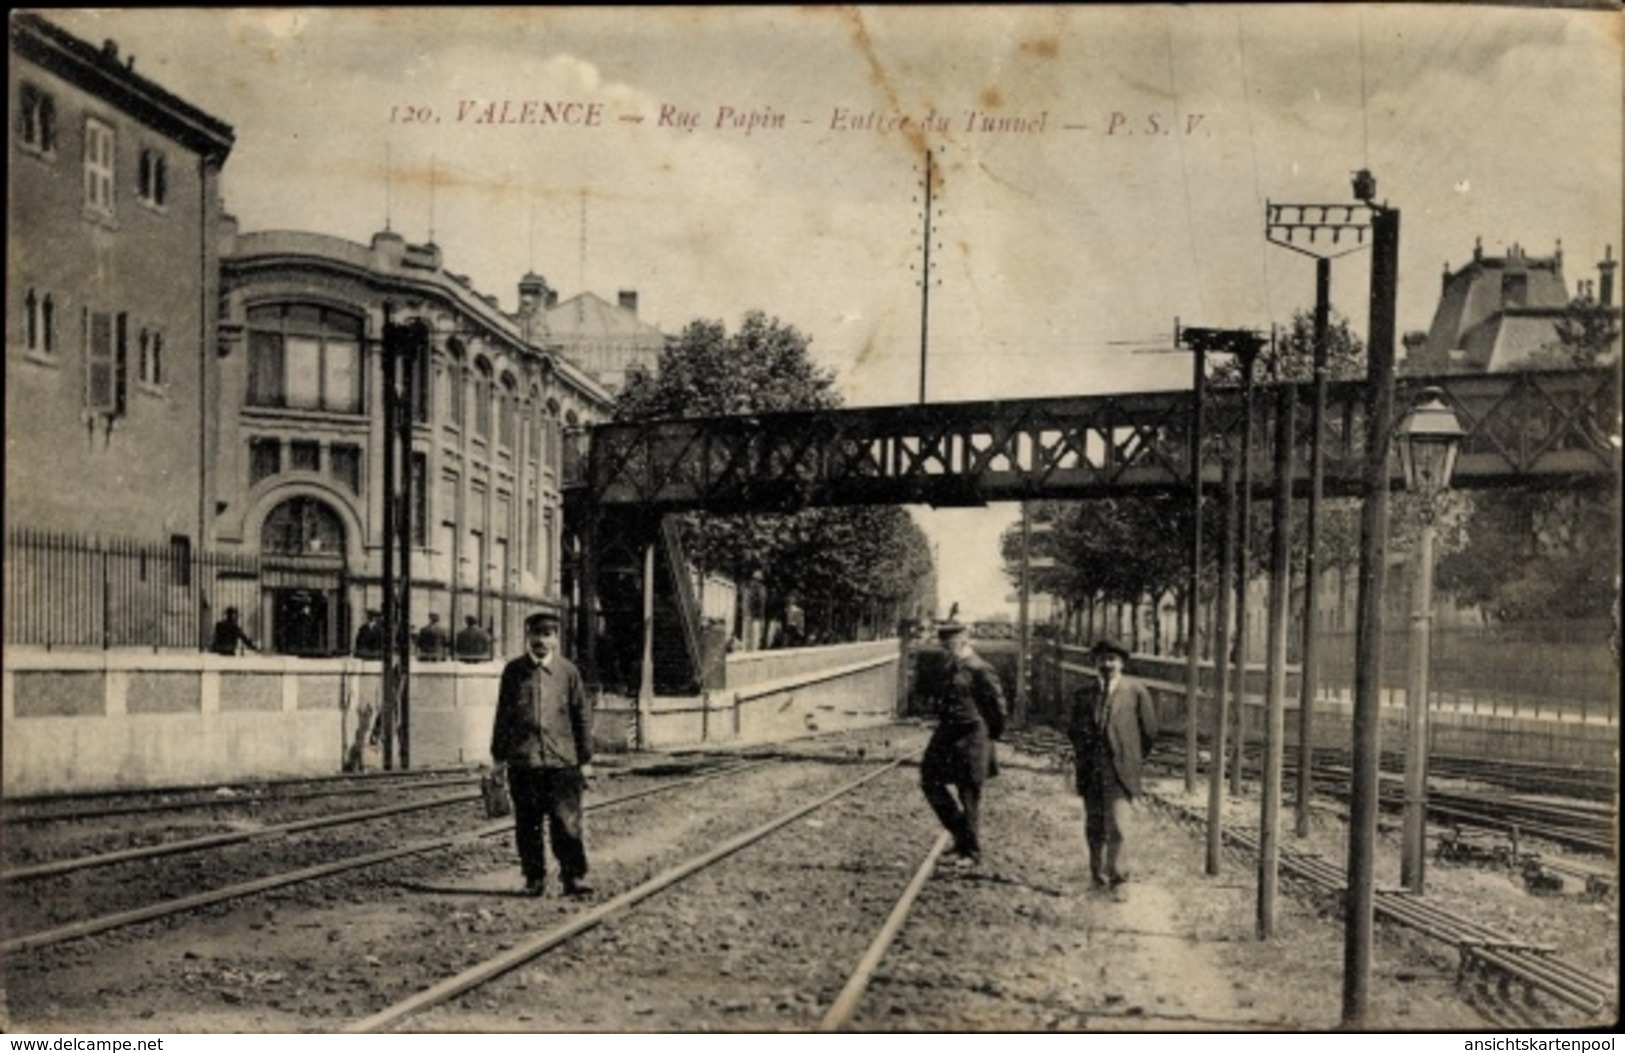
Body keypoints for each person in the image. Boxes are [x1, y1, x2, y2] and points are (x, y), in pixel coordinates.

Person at [490, 610, 596, 897]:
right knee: (528, 825)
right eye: (536, 634)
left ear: (556, 638)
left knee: (567, 822)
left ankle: (573, 877)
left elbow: (581, 717)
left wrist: (586, 760)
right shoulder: (514, 672)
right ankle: (534, 878)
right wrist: (498, 759)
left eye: (547, 634)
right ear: (529, 637)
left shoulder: (568, 672)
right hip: (525, 761)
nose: (541, 640)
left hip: (563, 762)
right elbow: (503, 716)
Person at [1065, 639, 1158, 900]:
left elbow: (1149, 732)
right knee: (1094, 825)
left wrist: (1131, 759)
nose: (1107, 665)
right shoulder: (1083, 694)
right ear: (1095, 663)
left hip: (1120, 772)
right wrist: (1085, 756)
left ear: (1121, 663)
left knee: (1118, 825)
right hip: (1092, 770)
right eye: (1102, 660)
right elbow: (1073, 730)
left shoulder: (1136, 691)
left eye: (1112, 660)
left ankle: (1119, 879)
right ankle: (1097, 875)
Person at [918, 617, 1006, 870]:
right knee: (929, 780)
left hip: (972, 735)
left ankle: (971, 851)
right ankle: (961, 836)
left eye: (951, 641)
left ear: (964, 640)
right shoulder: (949, 665)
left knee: (968, 792)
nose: (946, 646)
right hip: (947, 732)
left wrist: (989, 737)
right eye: (944, 642)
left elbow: (998, 708)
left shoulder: (980, 668)